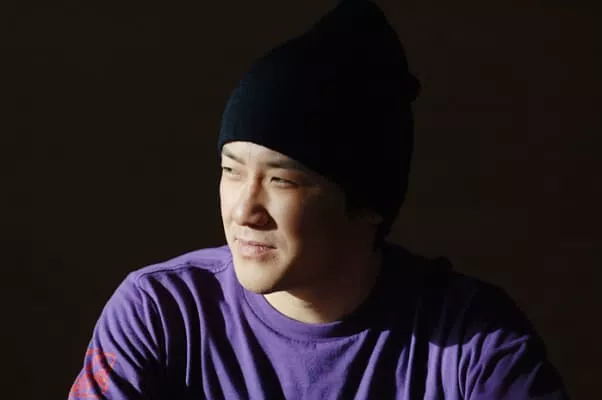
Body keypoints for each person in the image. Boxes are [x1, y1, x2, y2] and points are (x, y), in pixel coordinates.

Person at [69, 0, 568, 398]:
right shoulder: (161, 313)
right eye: (231, 171)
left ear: (367, 203)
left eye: (281, 180)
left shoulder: (471, 338)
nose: (243, 211)